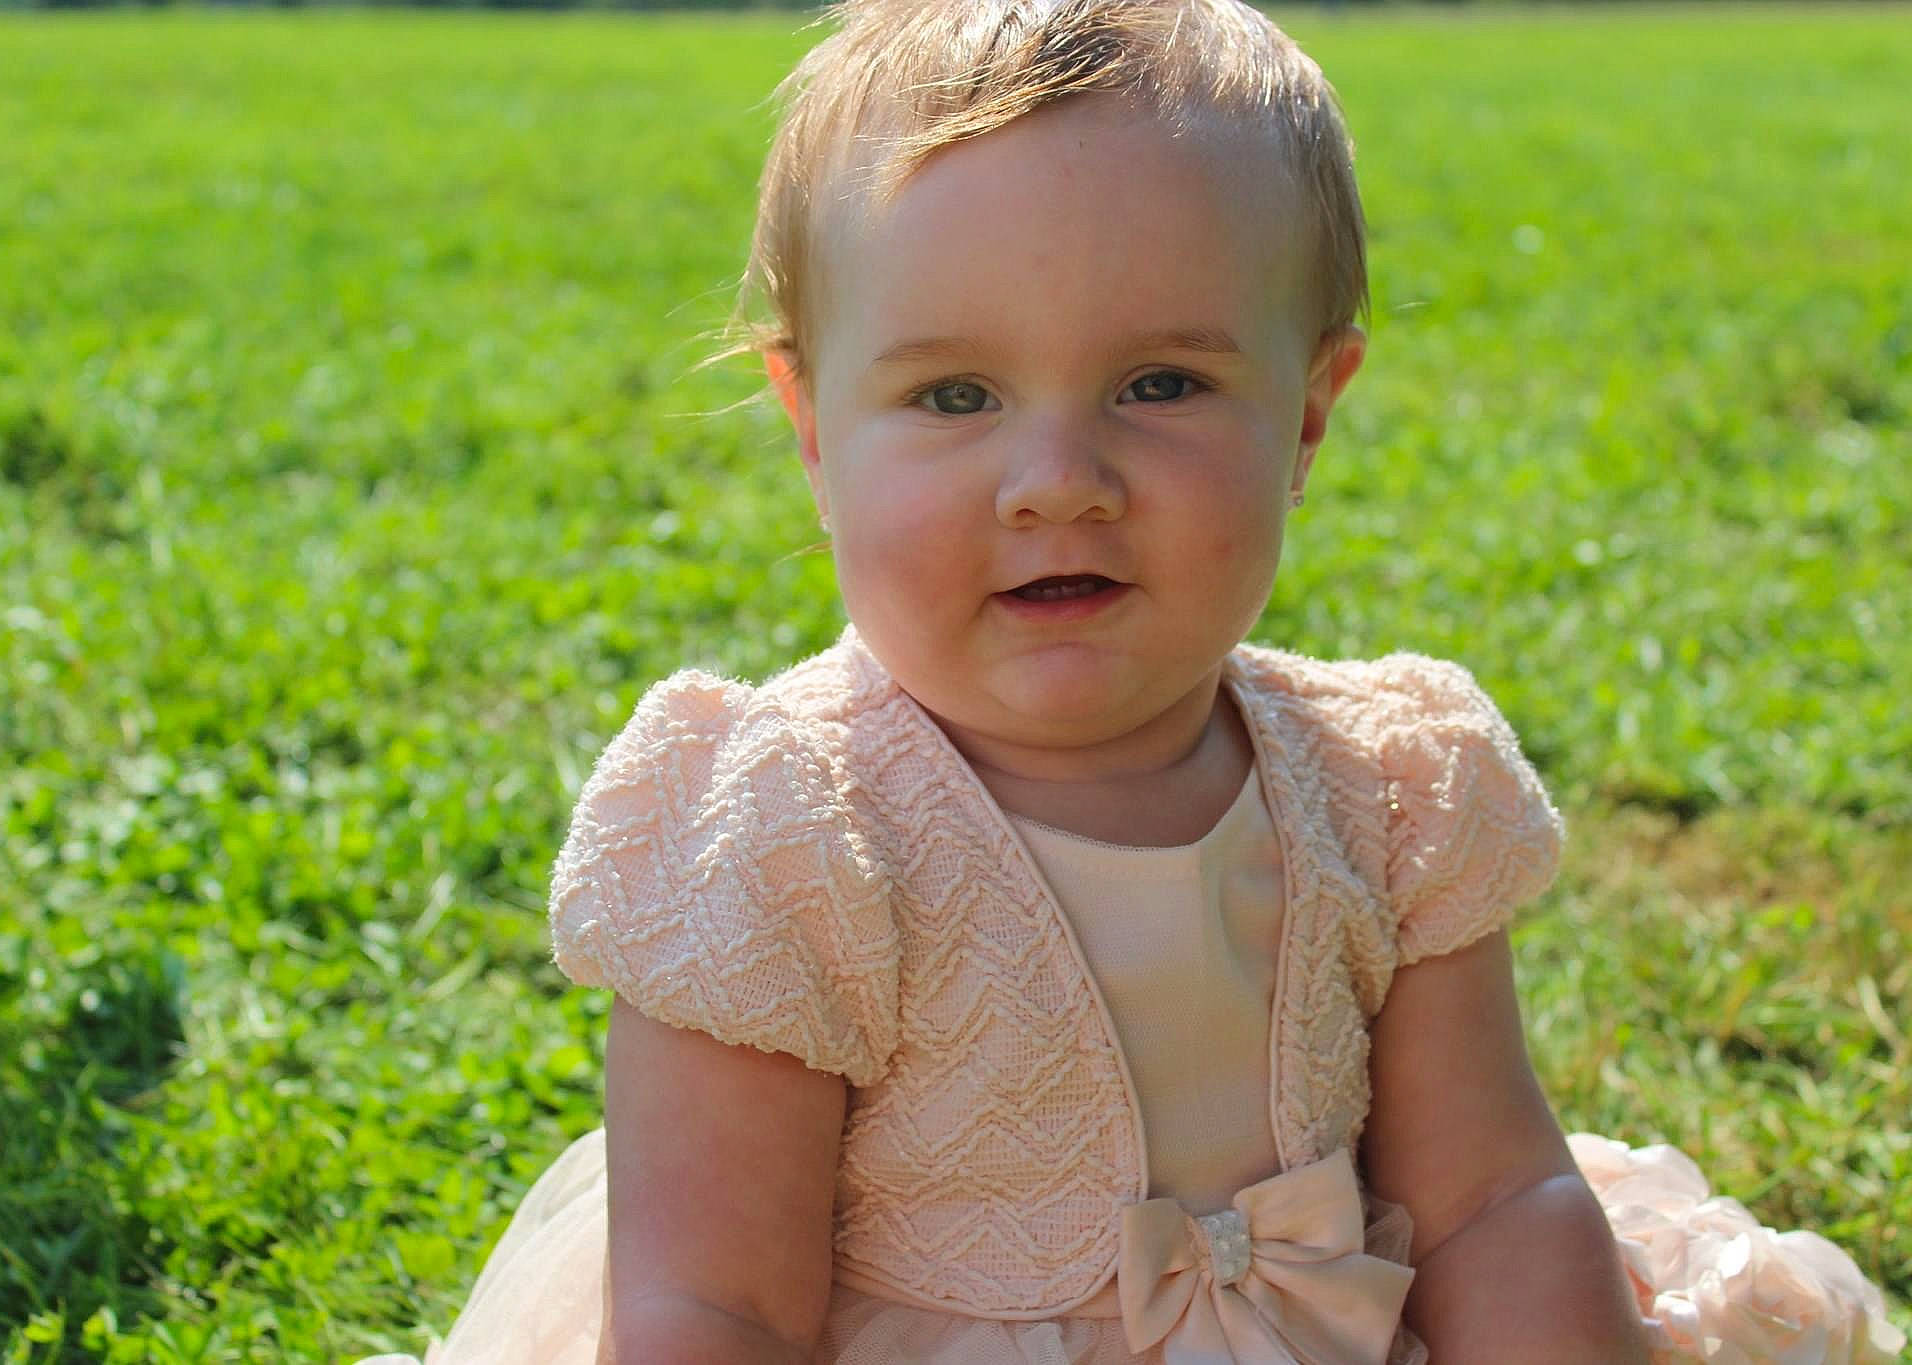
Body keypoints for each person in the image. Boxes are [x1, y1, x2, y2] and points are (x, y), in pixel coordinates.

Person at [364, 2, 1904, 1361]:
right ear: (814, 426)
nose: (1058, 478)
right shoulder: (786, 835)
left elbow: (1490, 1196)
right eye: (954, 394)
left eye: (1160, 383)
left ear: (1307, 415)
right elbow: (720, 1311)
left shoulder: (1389, 786)